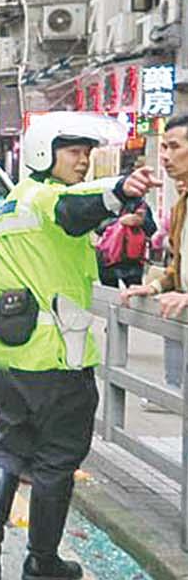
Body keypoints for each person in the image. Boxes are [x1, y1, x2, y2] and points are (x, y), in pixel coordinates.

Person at [0, 113, 157, 580]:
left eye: (87, 153)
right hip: (59, 359)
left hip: (9, 356)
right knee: (57, 456)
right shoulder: (51, 200)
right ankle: (41, 559)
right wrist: (123, 187)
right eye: (73, 152)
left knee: (6, 445)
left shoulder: (8, 208)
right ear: (43, 153)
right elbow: (82, 206)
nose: (82, 161)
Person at [121, 114, 188, 389]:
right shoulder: (181, 205)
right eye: (163, 147)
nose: (165, 156)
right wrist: (154, 287)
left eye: (174, 147)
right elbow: (178, 267)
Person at [96, 202, 155, 288]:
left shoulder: (140, 205)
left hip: (133, 261)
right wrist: (119, 221)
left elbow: (151, 229)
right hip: (108, 259)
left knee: (134, 295)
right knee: (110, 295)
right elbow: (98, 228)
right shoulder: (106, 202)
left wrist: (141, 222)